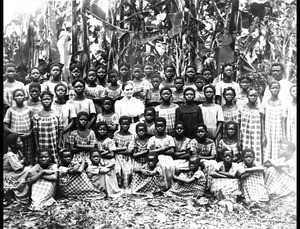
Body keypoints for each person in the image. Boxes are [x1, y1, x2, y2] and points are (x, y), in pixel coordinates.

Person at [4, 89, 34, 164]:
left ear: (24, 97)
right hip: (15, 140)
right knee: (16, 158)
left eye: (21, 95)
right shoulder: (10, 110)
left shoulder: (29, 110)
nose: (19, 97)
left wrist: (29, 133)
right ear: (14, 98)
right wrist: (16, 134)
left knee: (28, 157)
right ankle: (18, 173)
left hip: (27, 138)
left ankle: (29, 173)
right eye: (17, 96)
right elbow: (5, 127)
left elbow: (34, 125)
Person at [33, 91, 63, 164]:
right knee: (43, 160)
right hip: (42, 143)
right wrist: (37, 146)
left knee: (54, 161)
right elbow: (35, 132)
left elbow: (61, 129)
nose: (46, 101)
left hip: (54, 143)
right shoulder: (37, 115)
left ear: (52, 100)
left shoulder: (57, 114)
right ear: (41, 101)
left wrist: (59, 143)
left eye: (48, 99)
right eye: (44, 99)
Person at [260, 80, 287, 162]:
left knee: (277, 151)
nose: (275, 90)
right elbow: (262, 120)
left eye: (277, 88)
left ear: (279, 89)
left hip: (278, 131)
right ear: (269, 89)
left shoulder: (283, 104)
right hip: (268, 131)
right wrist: (263, 135)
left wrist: (284, 135)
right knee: (267, 150)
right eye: (273, 88)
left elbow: (283, 121)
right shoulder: (265, 103)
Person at [147, 117, 176, 189]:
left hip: (168, 157)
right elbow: (150, 151)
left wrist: (157, 150)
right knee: (162, 166)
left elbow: (172, 151)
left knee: (171, 166)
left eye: (161, 126)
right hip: (158, 157)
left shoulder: (169, 138)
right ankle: (163, 186)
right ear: (155, 127)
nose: (160, 128)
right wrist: (163, 149)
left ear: (165, 127)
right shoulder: (152, 139)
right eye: (158, 126)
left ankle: (171, 186)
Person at [3, 134, 31, 206]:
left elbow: (25, 161)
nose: (22, 142)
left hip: (14, 172)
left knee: (29, 168)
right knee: (28, 169)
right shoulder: (10, 155)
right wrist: (23, 161)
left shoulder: (18, 152)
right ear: (13, 145)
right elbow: (19, 167)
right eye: (19, 141)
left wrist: (23, 161)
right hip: (8, 175)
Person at [238, 88, 264, 164]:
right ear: (247, 96)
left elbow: (262, 123)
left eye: (255, 96)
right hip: (245, 135)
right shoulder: (241, 108)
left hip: (256, 135)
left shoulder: (260, 108)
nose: (253, 97)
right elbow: (238, 124)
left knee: (256, 151)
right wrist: (239, 139)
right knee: (245, 152)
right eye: (251, 95)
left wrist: (263, 136)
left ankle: (257, 169)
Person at [52, 83, 77, 149]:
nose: (60, 92)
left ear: (66, 92)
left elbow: (72, 121)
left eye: (62, 90)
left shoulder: (69, 105)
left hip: (66, 132)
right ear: (55, 92)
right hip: (53, 132)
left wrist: (63, 131)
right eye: (58, 90)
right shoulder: (51, 105)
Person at [113, 116, 135, 189]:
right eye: (123, 124)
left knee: (128, 170)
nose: (125, 126)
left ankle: (125, 187)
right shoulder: (116, 134)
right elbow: (113, 147)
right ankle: (117, 187)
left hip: (127, 158)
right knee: (117, 169)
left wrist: (118, 150)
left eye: (127, 124)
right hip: (117, 157)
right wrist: (123, 148)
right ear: (120, 124)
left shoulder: (131, 136)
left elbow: (130, 150)